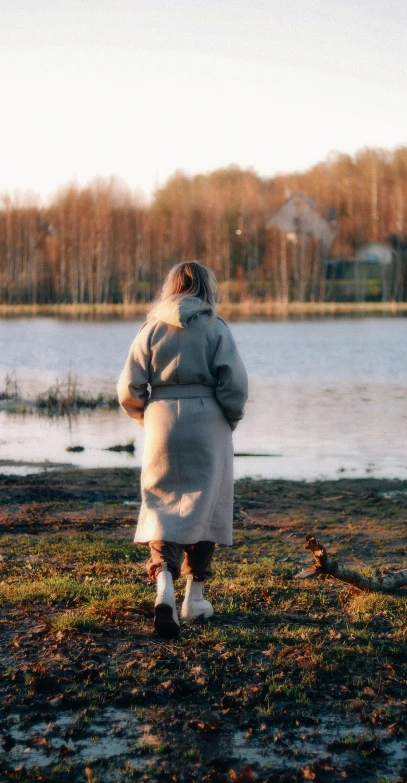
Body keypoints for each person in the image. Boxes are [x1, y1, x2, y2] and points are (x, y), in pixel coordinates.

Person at [117, 262, 248, 640]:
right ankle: (196, 596)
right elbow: (235, 386)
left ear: (170, 287)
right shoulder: (214, 328)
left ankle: (164, 587)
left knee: (161, 503)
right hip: (208, 422)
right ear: (207, 288)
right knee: (205, 504)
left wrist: (147, 417)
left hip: (161, 421)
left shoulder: (150, 329)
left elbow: (129, 388)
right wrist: (230, 418)